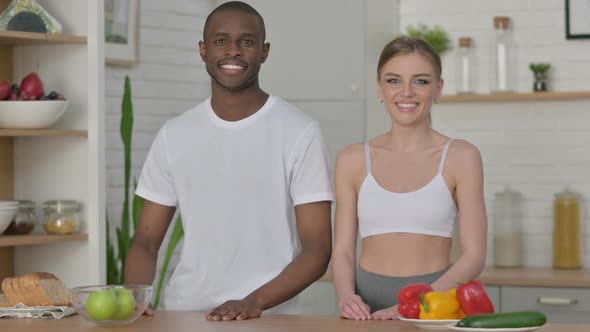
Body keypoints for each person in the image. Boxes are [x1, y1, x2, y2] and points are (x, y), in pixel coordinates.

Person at [125, 1, 333, 321]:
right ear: (203, 50)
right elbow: (146, 241)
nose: (233, 51)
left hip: (269, 317)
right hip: (186, 314)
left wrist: (255, 301)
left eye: (246, 42)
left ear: (264, 52)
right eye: (221, 41)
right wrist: (133, 295)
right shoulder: (174, 134)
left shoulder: (300, 131)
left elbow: (317, 250)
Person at [331, 36, 488, 320]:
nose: (406, 92)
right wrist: (346, 297)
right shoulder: (352, 160)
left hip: (436, 302)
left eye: (421, 81)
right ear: (379, 88)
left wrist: (415, 304)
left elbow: (474, 256)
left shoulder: (462, 157)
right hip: (365, 309)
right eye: (393, 81)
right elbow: (342, 251)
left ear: (438, 88)